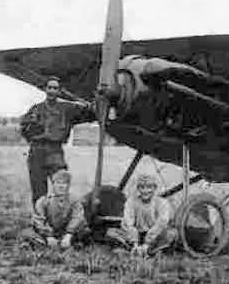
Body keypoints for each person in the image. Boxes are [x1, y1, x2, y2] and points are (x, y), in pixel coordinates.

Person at [19, 76, 96, 204]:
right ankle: (40, 221)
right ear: (45, 89)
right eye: (49, 87)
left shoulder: (67, 108)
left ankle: (60, 218)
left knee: (61, 185)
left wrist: (96, 104)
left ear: (59, 91)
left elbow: (89, 113)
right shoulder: (36, 109)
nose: (52, 91)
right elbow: (24, 128)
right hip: (36, 152)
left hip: (55, 151)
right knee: (39, 192)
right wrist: (35, 136)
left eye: (55, 88)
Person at [106, 173, 177, 256]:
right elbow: (128, 223)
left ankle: (148, 250)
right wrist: (135, 243)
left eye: (149, 187)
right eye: (142, 187)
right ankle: (136, 249)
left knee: (172, 233)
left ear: (154, 188)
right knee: (111, 232)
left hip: (154, 236)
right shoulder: (131, 202)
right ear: (138, 189)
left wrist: (147, 243)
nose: (145, 191)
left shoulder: (162, 203)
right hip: (136, 235)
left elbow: (161, 223)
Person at [21, 170, 88, 249]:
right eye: (58, 183)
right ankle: (43, 243)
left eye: (64, 183)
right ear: (53, 184)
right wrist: (49, 236)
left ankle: (70, 242)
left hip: (66, 232)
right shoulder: (43, 201)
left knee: (85, 231)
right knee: (27, 232)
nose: (61, 186)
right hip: (48, 232)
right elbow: (39, 220)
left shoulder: (74, 201)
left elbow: (77, 217)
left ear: (68, 186)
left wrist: (69, 234)